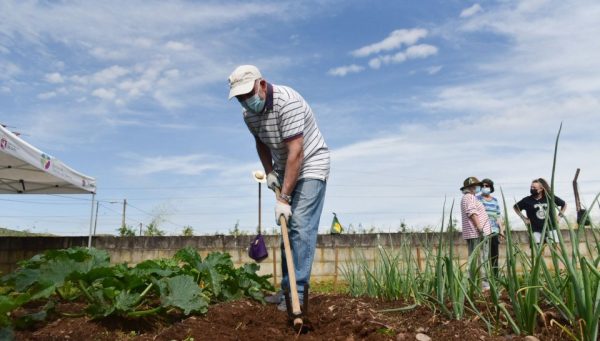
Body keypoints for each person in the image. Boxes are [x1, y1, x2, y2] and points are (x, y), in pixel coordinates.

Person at [228, 65, 330, 311]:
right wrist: (270, 171)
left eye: (247, 94)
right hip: (285, 168)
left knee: (300, 226)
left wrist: (283, 198)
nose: (245, 101)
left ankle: (298, 296)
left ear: (261, 84)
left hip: (310, 163)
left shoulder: (288, 102)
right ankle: (287, 290)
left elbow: (297, 152)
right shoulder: (248, 114)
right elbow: (261, 143)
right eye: (240, 98)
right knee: (287, 229)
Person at [460, 176, 492, 289]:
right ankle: (484, 286)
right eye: (477, 185)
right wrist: (480, 228)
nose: (479, 187)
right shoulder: (469, 197)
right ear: (471, 187)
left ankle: (472, 285)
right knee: (481, 259)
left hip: (475, 233)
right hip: (477, 233)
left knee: (476, 259)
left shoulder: (469, 197)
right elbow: (472, 212)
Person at [513, 178, 567, 246]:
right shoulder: (527, 200)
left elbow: (564, 204)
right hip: (535, 229)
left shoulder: (550, 197)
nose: (532, 189)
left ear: (541, 189)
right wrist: (524, 218)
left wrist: (559, 216)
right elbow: (515, 207)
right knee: (539, 250)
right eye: (531, 187)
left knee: (555, 248)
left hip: (551, 228)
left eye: (534, 187)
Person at [476, 178, 504, 278]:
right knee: (483, 255)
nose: (484, 188)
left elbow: (498, 216)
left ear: (491, 187)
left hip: (494, 231)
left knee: (494, 255)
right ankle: (484, 278)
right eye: (482, 186)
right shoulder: (477, 199)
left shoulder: (495, 200)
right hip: (483, 231)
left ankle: (495, 277)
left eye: (487, 186)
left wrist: (501, 230)